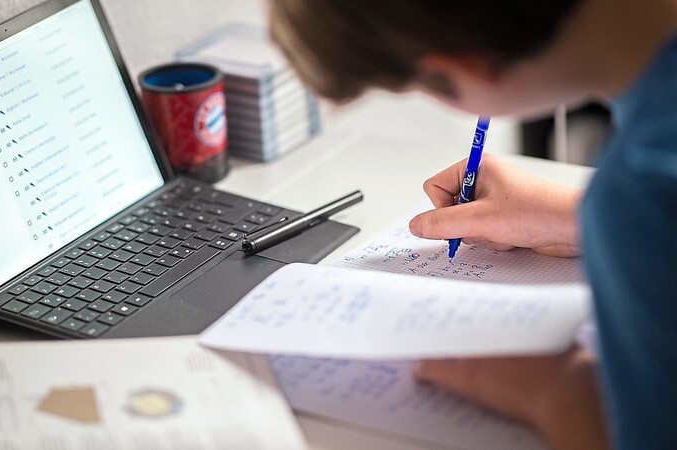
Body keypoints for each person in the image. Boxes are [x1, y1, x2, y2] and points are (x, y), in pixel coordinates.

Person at [267, 0, 677, 449]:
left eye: (427, 88)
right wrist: (571, 218)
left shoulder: (643, 185)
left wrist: (558, 389)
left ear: (469, 68)